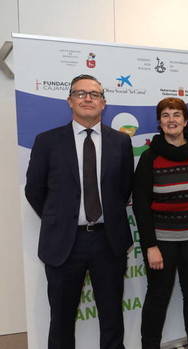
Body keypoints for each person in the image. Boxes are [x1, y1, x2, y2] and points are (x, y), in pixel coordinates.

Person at [25, 74, 134, 349]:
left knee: (112, 317)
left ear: (104, 103)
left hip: (108, 242)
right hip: (64, 243)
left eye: (94, 94)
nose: (88, 98)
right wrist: (60, 218)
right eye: (81, 93)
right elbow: (34, 190)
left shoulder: (120, 142)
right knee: (61, 321)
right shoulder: (47, 141)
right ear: (70, 101)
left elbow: (123, 189)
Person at [132, 97, 188, 349]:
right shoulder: (149, 158)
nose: (172, 119)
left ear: (186, 120)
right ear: (159, 122)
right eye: (166, 115)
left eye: (177, 114)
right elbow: (140, 206)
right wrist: (150, 245)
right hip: (163, 242)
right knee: (157, 297)